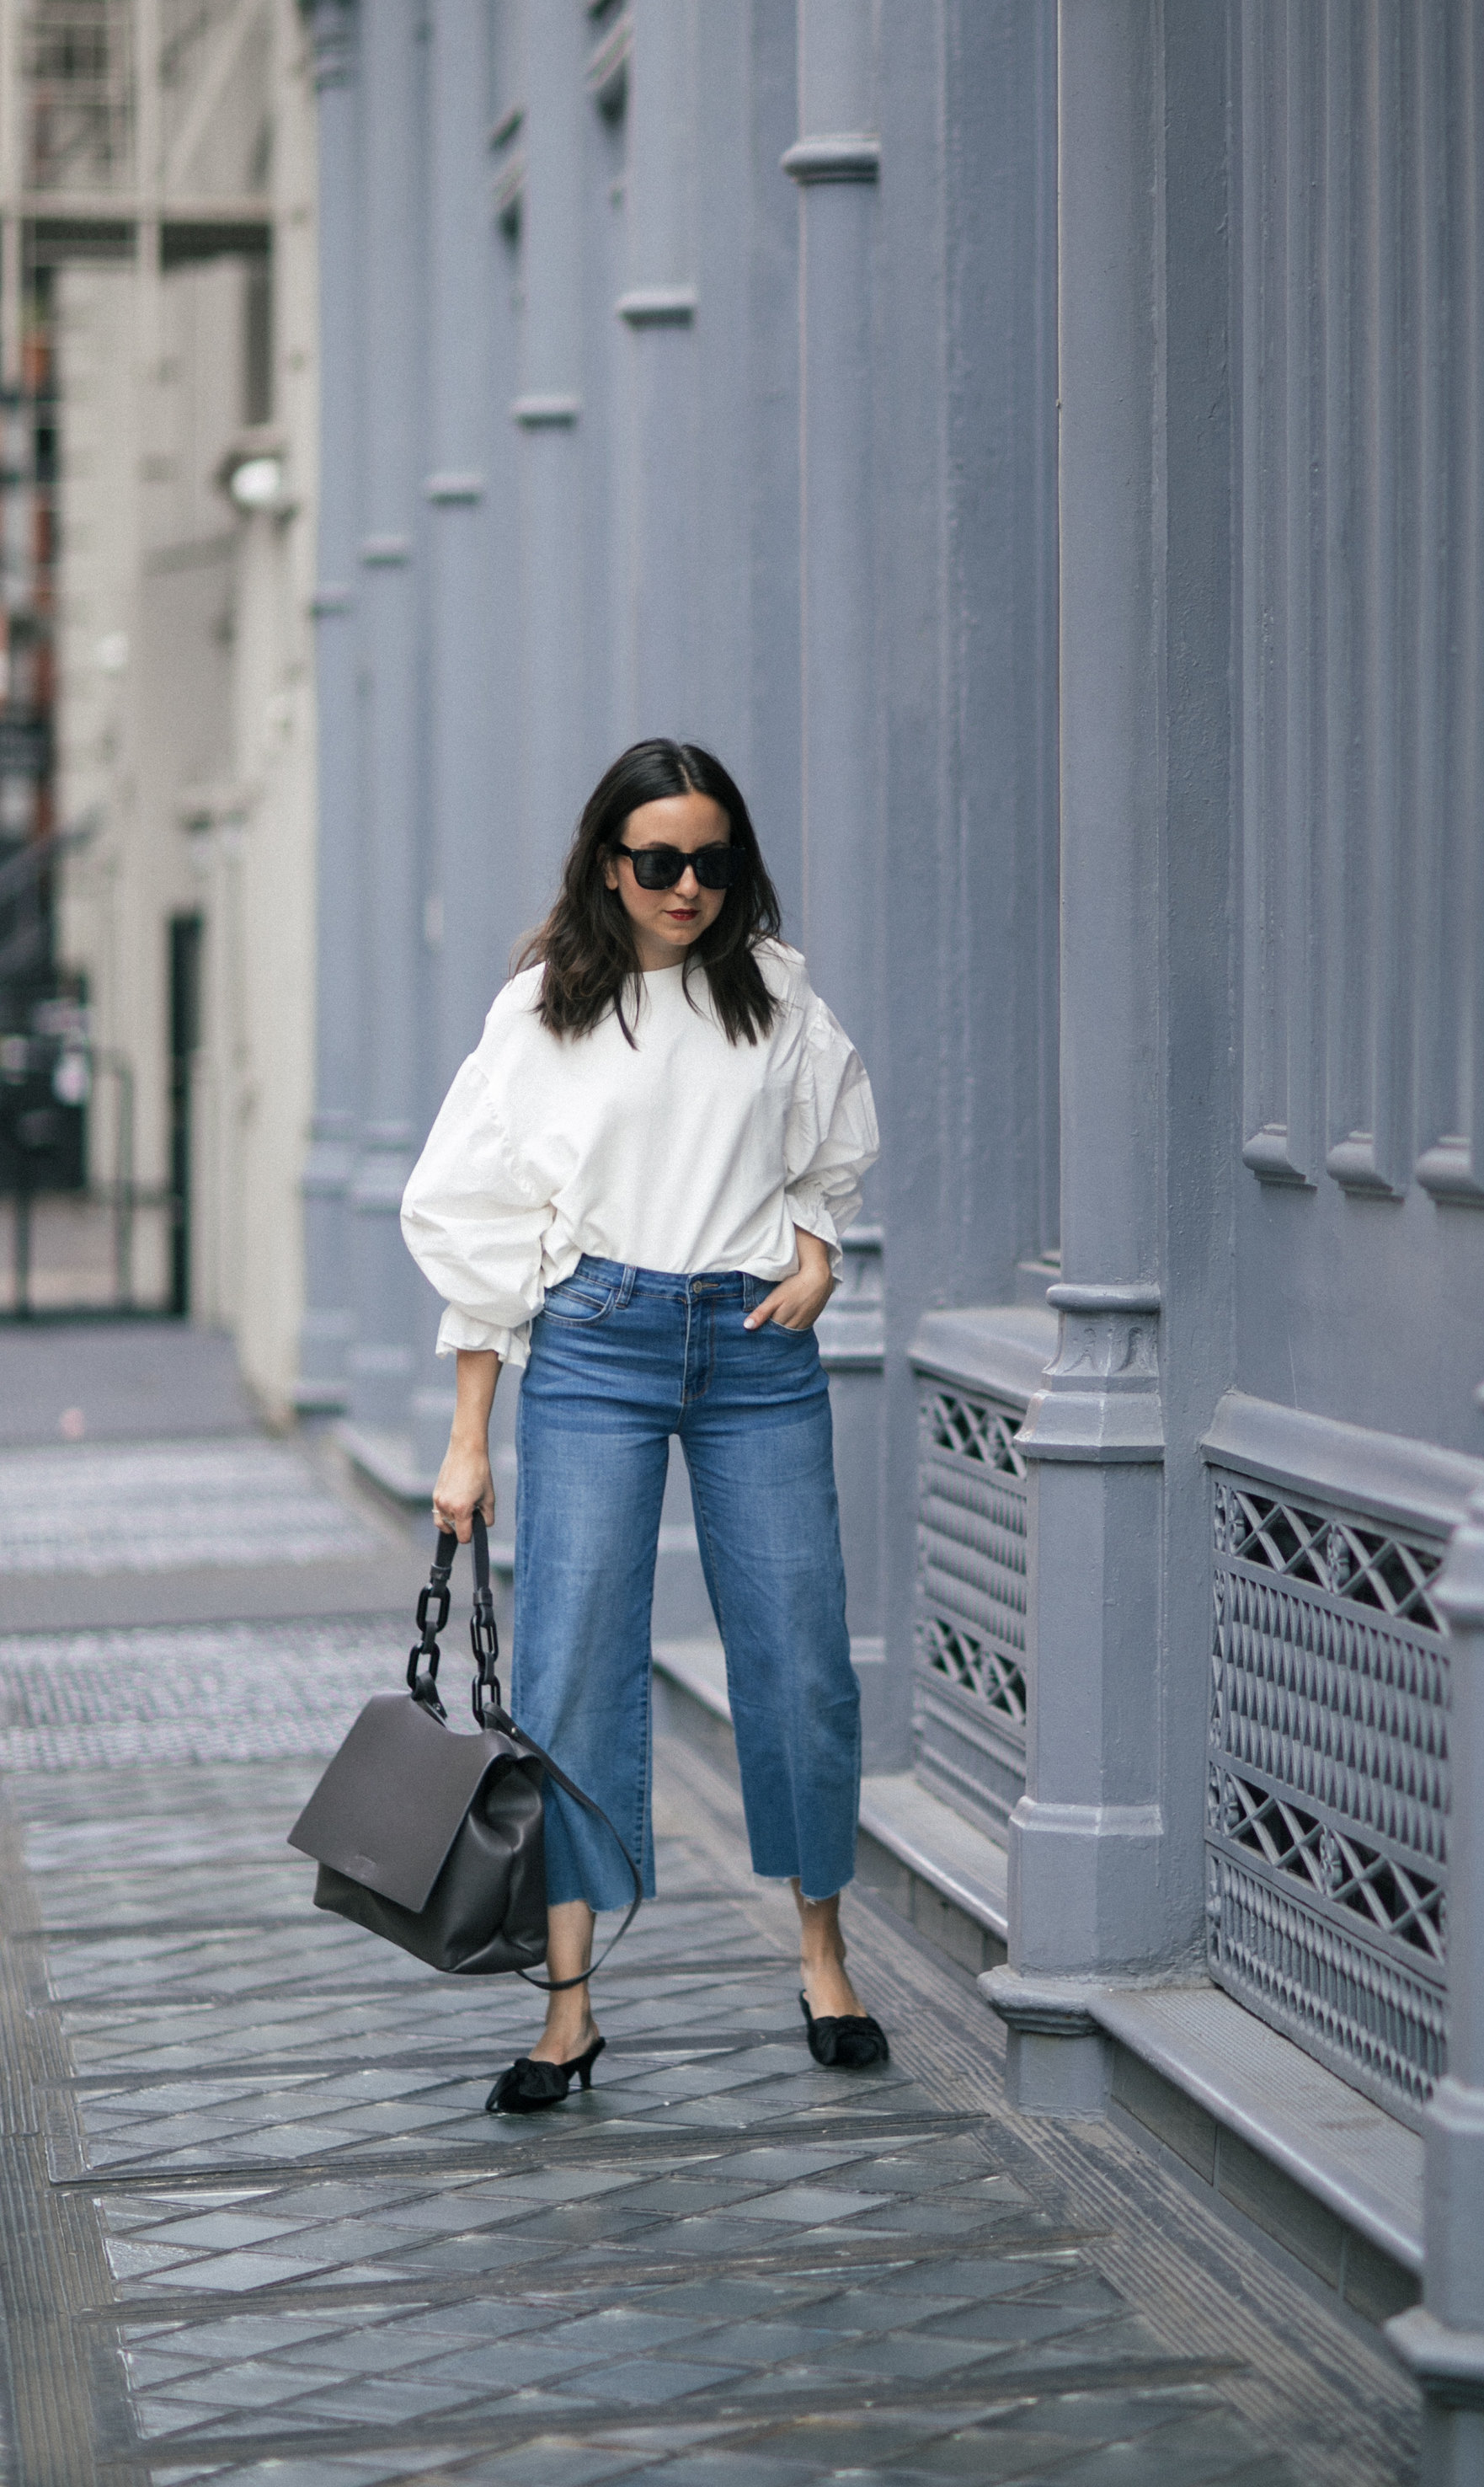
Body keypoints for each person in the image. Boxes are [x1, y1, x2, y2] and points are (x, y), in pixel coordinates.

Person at [401, 738, 887, 2110]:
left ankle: (823, 1957)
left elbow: (827, 1149)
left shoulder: (774, 996)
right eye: (660, 861)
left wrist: (820, 1248)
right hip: (597, 1344)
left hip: (752, 1344)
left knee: (799, 1659)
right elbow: (481, 1225)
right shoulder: (542, 1015)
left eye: (714, 862)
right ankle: (569, 2007)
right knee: (572, 1673)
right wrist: (465, 1439)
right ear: (606, 862)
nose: (689, 888)